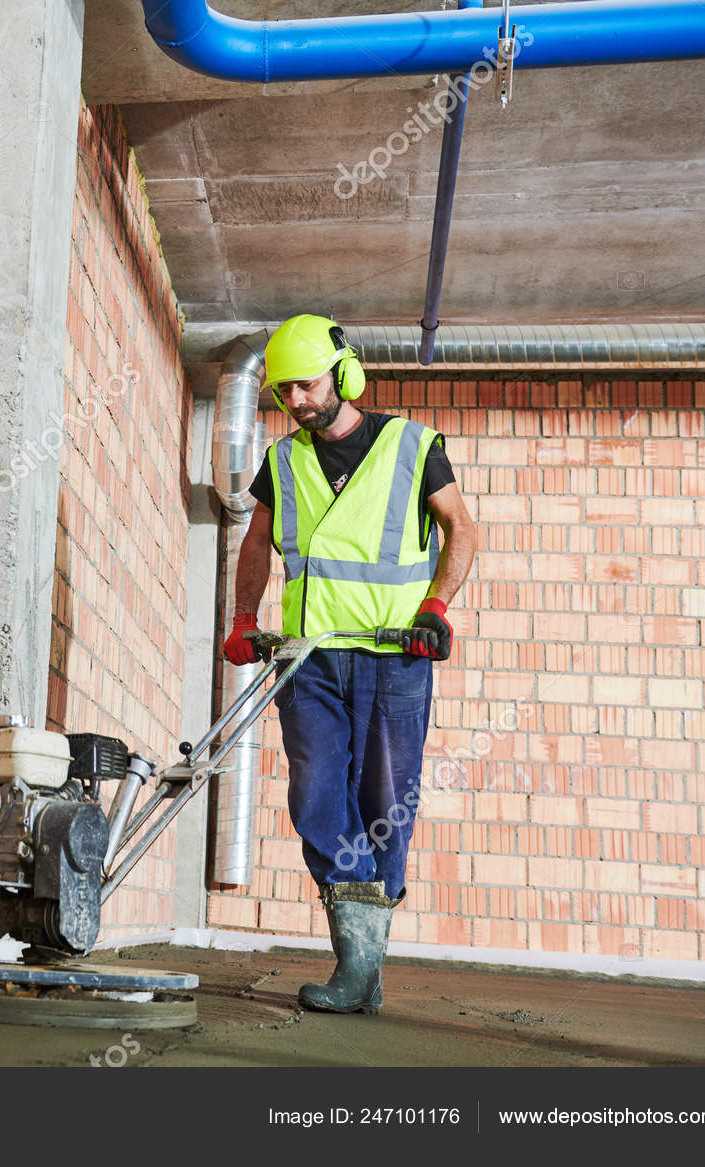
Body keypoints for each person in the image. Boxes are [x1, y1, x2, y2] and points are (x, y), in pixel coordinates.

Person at [223, 314, 476, 1013]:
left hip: (395, 656)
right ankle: (358, 957)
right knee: (315, 796)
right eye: (281, 393)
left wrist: (437, 605)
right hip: (310, 661)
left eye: (303, 385)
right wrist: (244, 619)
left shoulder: (412, 446)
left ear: (341, 372)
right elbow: (256, 544)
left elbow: (462, 529)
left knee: (385, 804)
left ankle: (362, 964)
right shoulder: (282, 461)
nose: (295, 402)